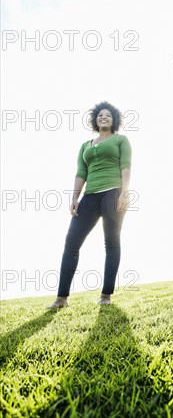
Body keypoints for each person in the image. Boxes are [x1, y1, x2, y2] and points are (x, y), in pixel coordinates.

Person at [48, 101, 132, 308]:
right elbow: (81, 173)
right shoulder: (85, 146)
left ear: (114, 121)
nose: (104, 117)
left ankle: (106, 295)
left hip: (113, 193)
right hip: (89, 197)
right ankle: (61, 298)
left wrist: (124, 193)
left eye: (108, 116)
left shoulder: (121, 140)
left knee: (111, 243)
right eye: (100, 115)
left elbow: (126, 168)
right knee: (71, 243)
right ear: (95, 119)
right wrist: (75, 197)